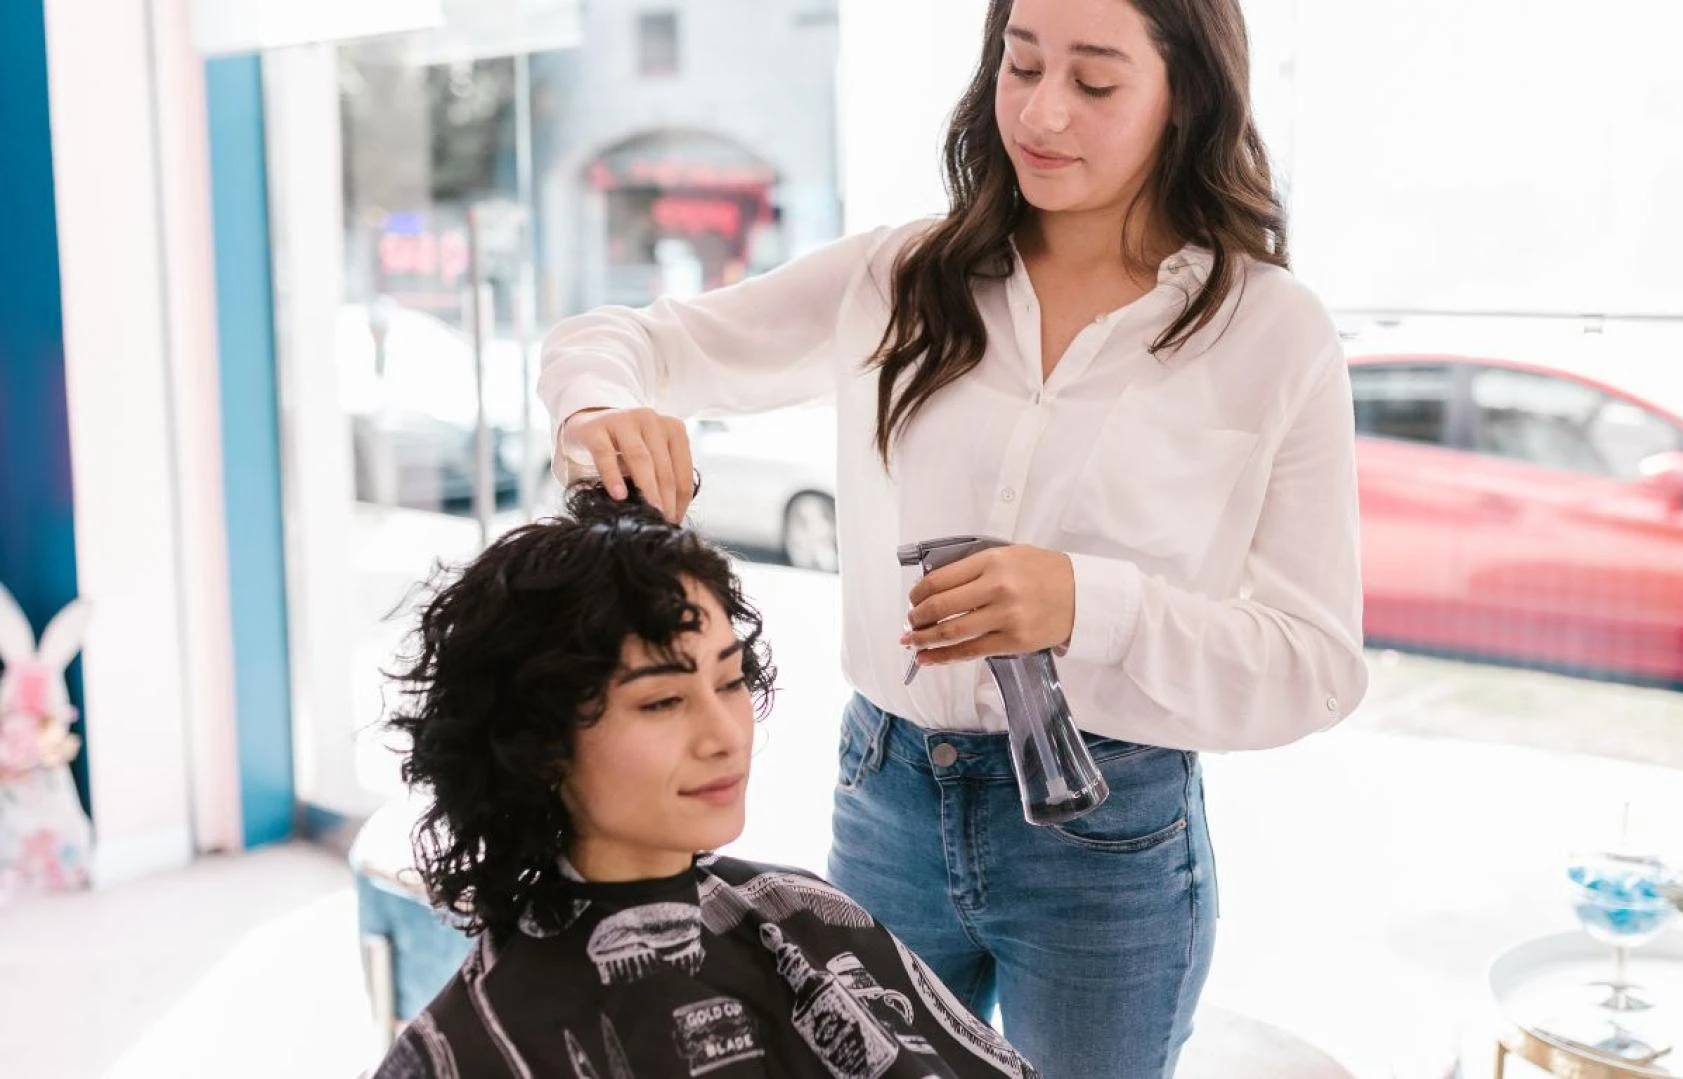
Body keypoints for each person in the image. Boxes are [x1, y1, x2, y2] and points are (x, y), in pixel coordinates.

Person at [537, 0, 1367, 1073]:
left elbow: (1318, 665)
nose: (1043, 111)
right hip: (886, 797)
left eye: (1096, 82)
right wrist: (596, 408)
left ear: (1188, 97)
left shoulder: (1270, 330)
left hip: (1105, 839)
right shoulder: (901, 278)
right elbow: (616, 342)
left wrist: (1087, 603)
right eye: (1020, 66)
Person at [372, 484, 1036, 1079]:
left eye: (729, 680)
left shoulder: (796, 913)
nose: (724, 734)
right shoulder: (471, 1045)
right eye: (662, 701)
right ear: (538, 743)